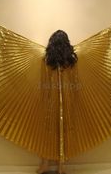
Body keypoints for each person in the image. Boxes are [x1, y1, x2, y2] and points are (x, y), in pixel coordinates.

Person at [36, 30, 77, 174]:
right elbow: (74, 82)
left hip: (50, 102)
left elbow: (43, 81)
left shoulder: (46, 60)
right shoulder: (70, 61)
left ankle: (45, 164)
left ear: (51, 43)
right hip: (67, 101)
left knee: (47, 132)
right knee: (64, 133)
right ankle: (61, 167)